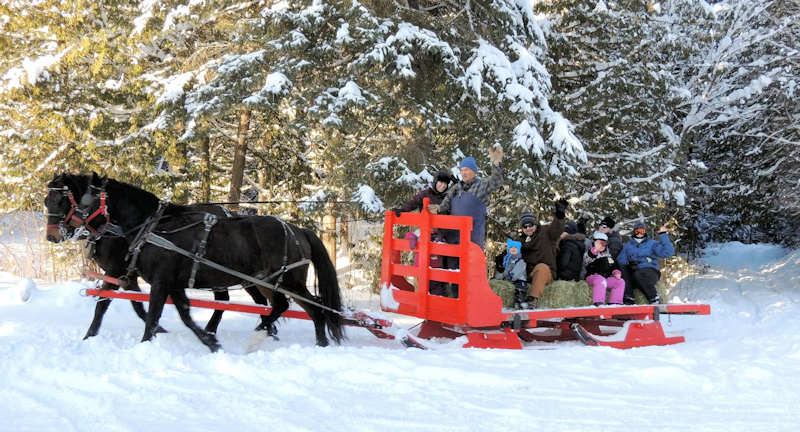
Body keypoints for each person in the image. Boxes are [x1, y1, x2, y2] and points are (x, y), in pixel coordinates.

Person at [437, 147, 504, 297]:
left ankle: (471, 305)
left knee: (470, 276)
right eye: (462, 170)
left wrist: (496, 164)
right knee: (454, 277)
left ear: (474, 171)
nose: (464, 173)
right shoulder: (455, 189)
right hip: (454, 241)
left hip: (472, 242)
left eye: (466, 169)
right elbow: (443, 209)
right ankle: (455, 305)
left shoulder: (482, 186)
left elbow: (497, 181)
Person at [517, 199, 569, 309]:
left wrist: (559, 215)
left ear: (535, 224)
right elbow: (511, 253)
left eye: (530, 225)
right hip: (528, 274)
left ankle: (532, 299)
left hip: (546, 272)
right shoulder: (520, 241)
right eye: (525, 226)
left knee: (541, 268)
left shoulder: (546, 232)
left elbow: (556, 230)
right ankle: (517, 300)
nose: (528, 228)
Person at [617, 221, 674, 304]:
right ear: (634, 232)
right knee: (624, 270)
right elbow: (621, 260)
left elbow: (668, 253)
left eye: (642, 231)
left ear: (645, 232)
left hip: (649, 272)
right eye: (637, 231)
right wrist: (630, 263)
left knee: (639, 273)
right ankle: (629, 296)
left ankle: (654, 297)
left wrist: (663, 235)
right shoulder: (628, 245)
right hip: (634, 274)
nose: (640, 233)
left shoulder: (652, 244)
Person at [583, 231, 625, 306]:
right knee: (600, 280)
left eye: (604, 243)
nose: (601, 245)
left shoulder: (608, 255)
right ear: (594, 242)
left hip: (605, 278)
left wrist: (616, 271)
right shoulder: (590, 253)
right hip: (593, 277)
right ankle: (599, 303)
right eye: (599, 243)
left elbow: (613, 265)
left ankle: (615, 302)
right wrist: (595, 251)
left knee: (620, 282)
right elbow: (586, 260)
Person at [494, 239, 529, 309]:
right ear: (508, 250)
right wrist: (501, 276)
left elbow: (518, 272)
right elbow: (506, 271)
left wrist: (511, 276)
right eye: (511, 247)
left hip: (519, 279)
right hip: (511, 279)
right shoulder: (508, 261)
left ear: (519, 250)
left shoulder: (521, 261)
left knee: (519, 288)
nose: (513, 249)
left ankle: (520, 301)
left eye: (515, 248)